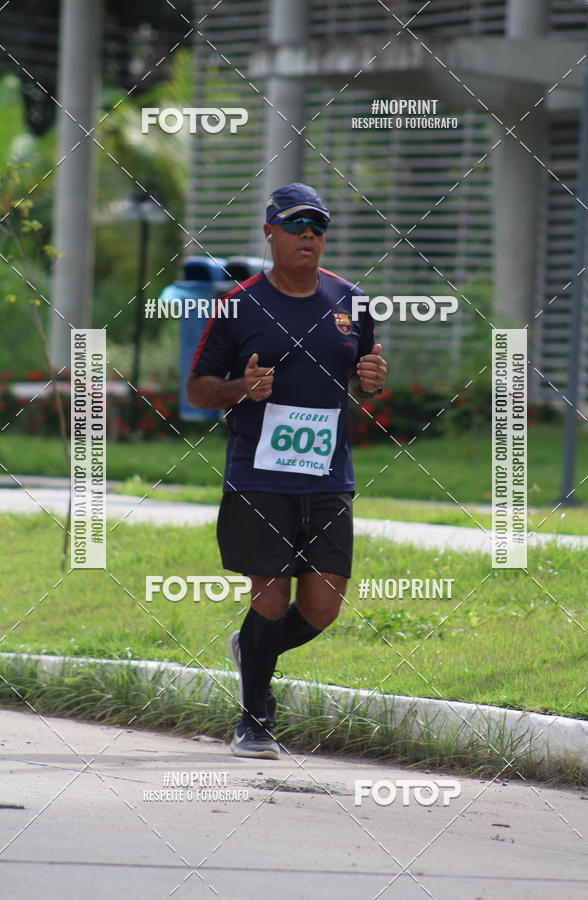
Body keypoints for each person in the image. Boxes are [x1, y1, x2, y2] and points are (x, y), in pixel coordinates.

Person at [186, 182, 387, 759]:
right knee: (270, 596)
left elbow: (362, 375)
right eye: (296, 225)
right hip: (259, 474)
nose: (309, 236)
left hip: (327, 474)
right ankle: (254, 720)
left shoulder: (352, 300)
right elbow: (199, 389)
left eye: (318, 226)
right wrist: (239, 389)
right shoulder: (238, 305)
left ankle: (253, 649)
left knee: (323, 606)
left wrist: (370, 380)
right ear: (270, 232)